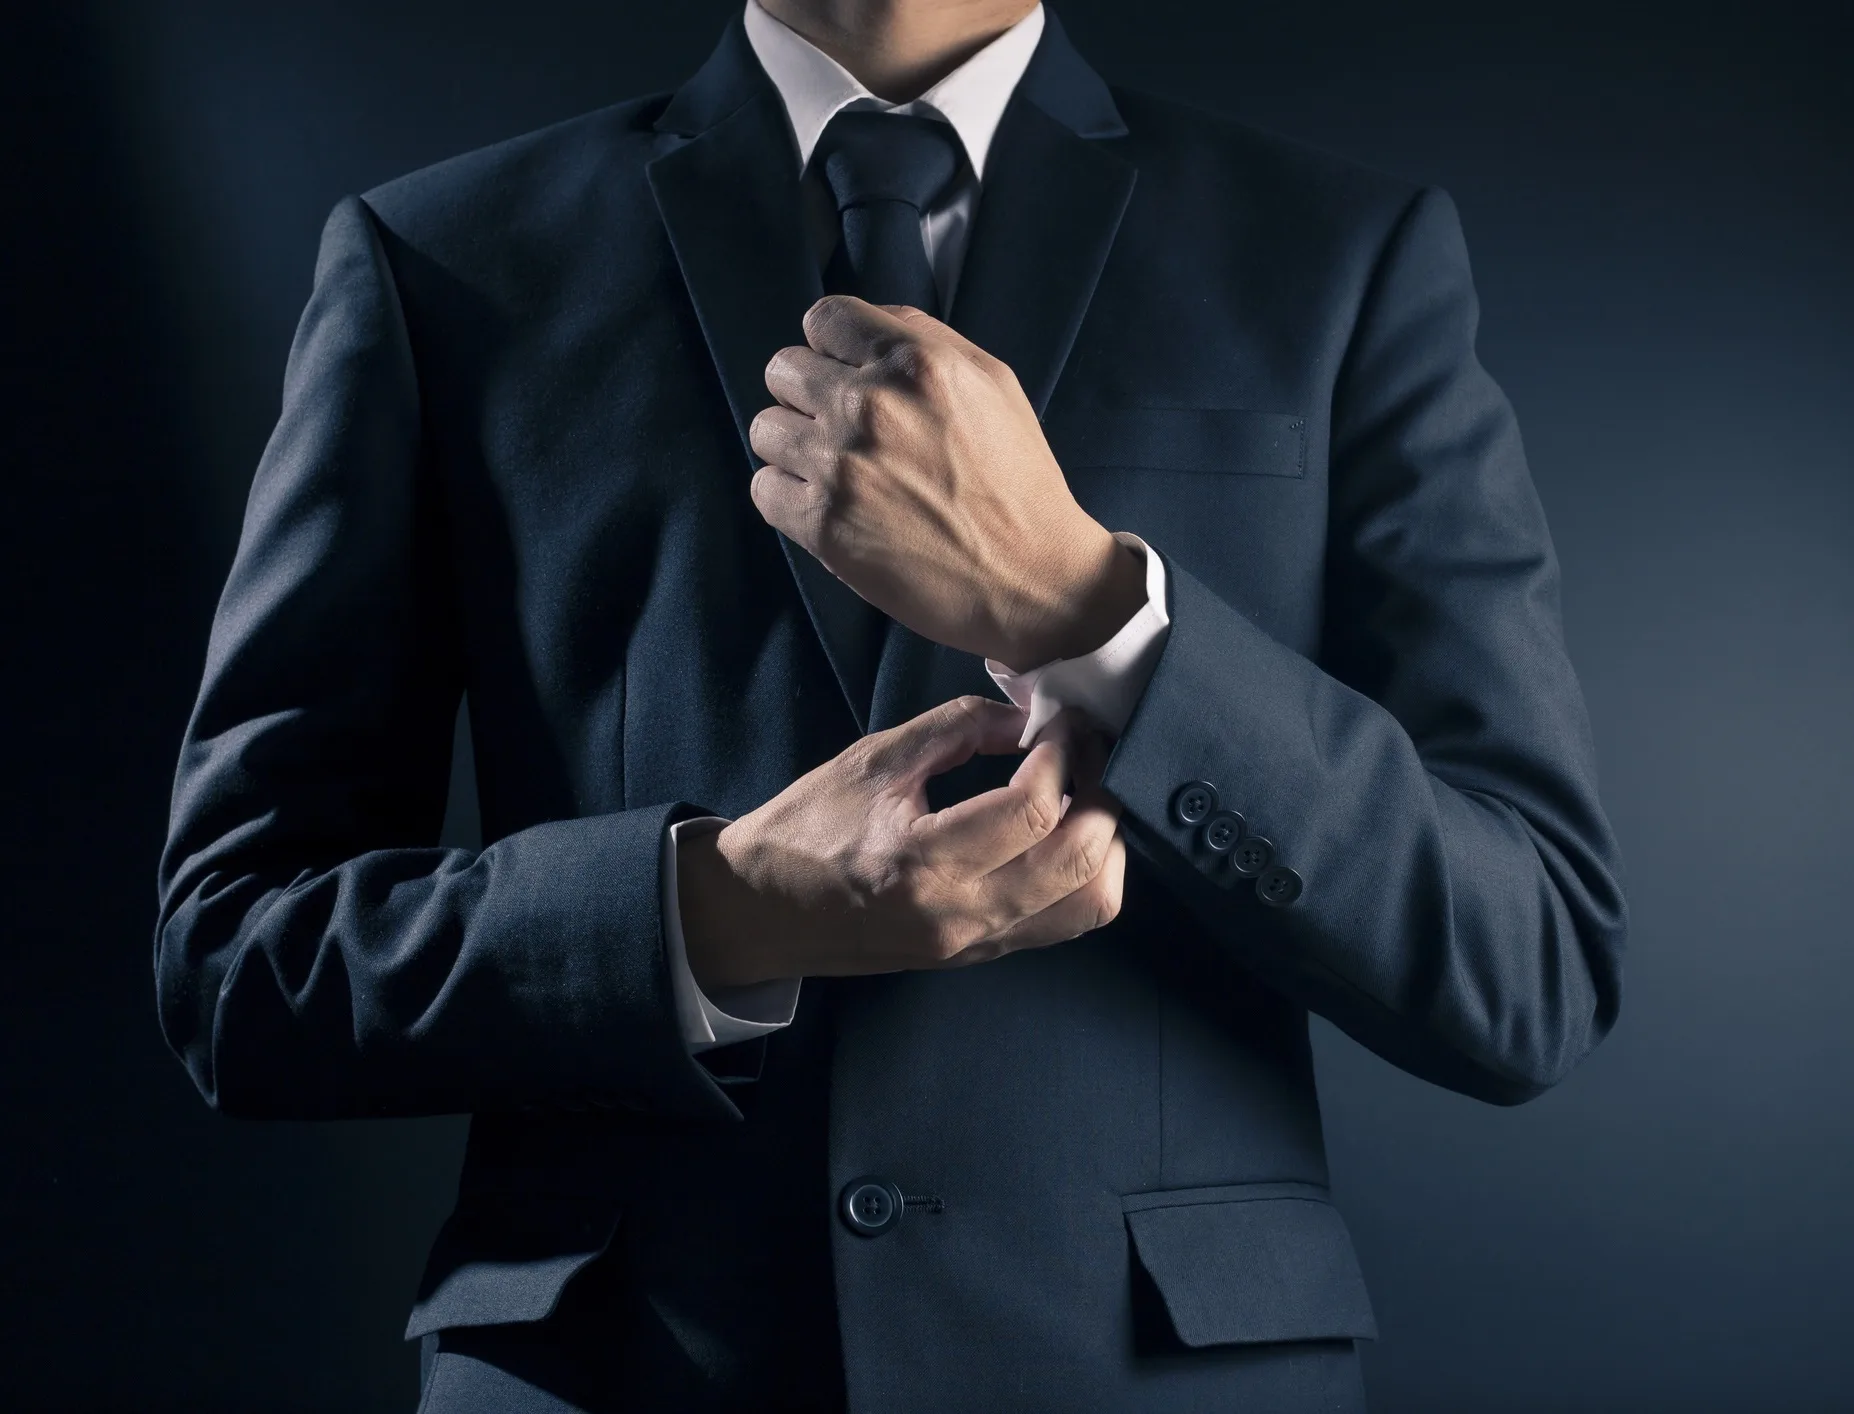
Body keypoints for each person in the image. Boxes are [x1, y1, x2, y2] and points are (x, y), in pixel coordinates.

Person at [154, 1, 1628, 1409]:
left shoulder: (1340, 253)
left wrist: (1081, 608)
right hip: (611, 1373)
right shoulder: (438, 259)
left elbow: (1530, 956)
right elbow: (233, 961)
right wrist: (721, 912)